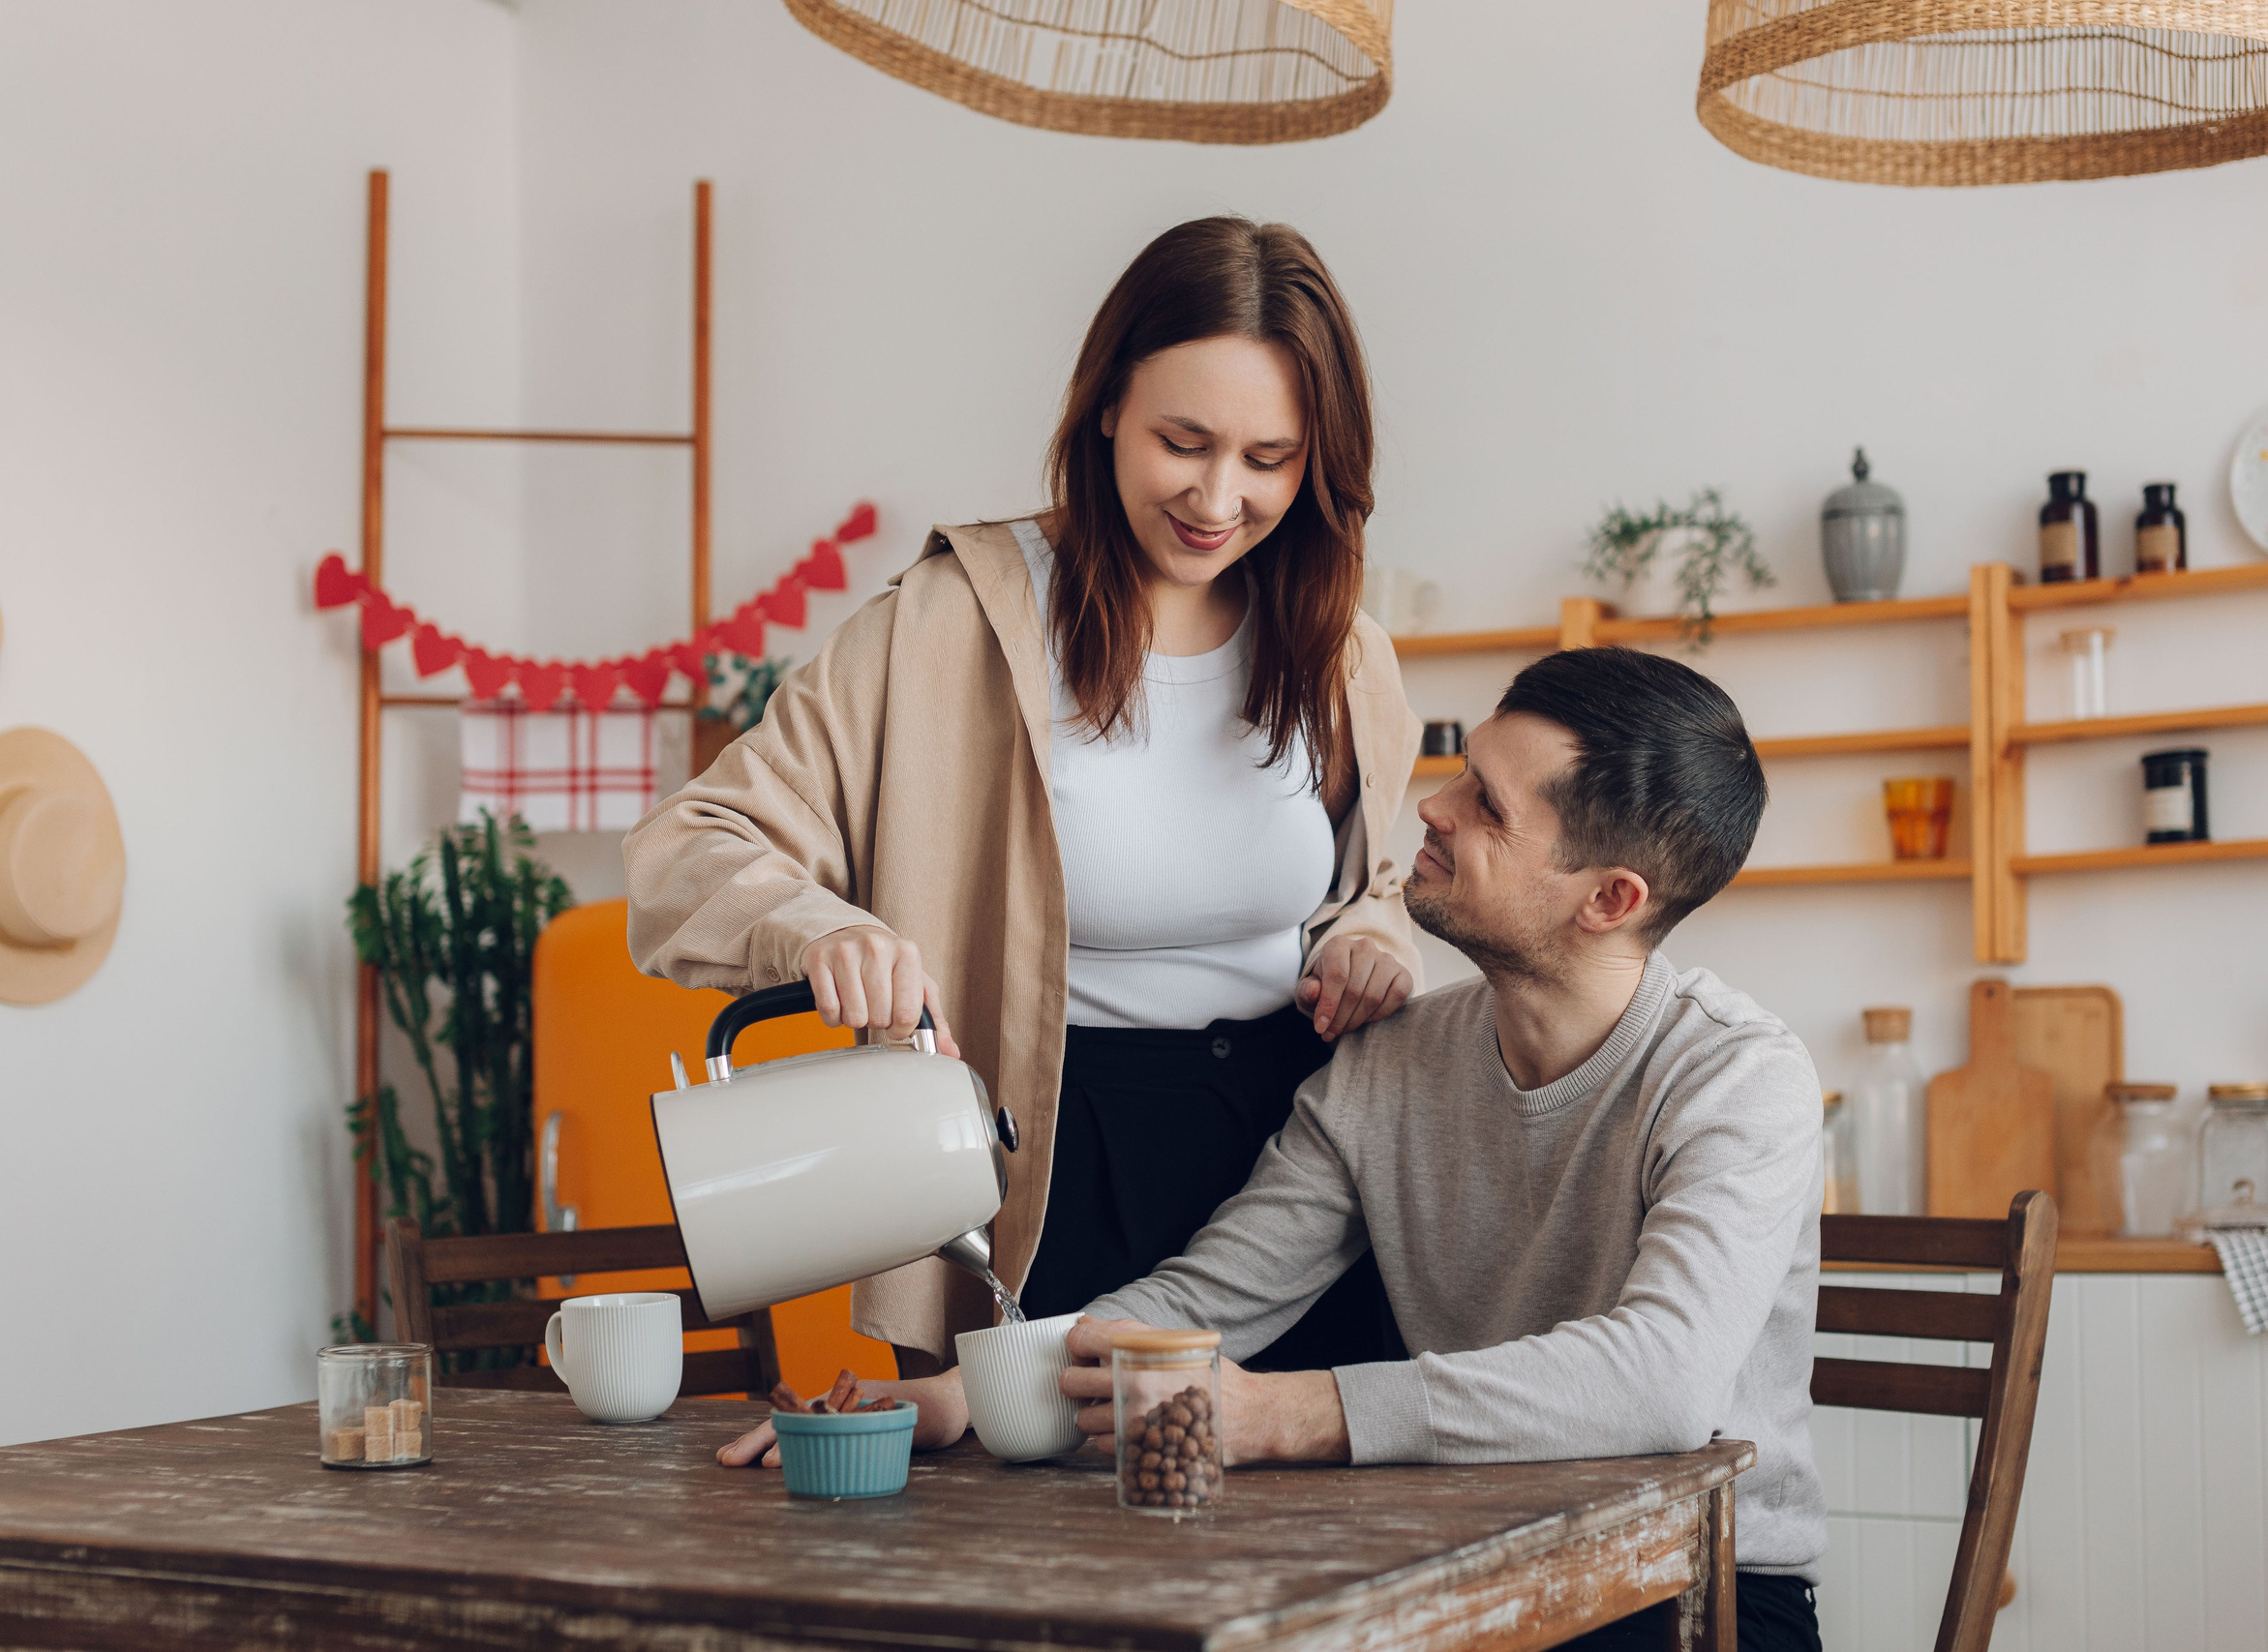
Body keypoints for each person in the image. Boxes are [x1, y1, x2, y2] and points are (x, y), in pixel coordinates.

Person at [726, 646, 1825, 1651]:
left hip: (1696, 1585)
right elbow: (1215, 1293)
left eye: (1485, 806)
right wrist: (982, 1399)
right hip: (1475, 1565)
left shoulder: (1740, 1080)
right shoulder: (1394, 1065)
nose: (1430, 810)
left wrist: (1288, 1416)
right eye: (1459, 772)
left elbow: (1665, 1381)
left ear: (1609, 900)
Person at [623, 217, 1422, 1376]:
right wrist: (821, 926)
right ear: (1105, 407)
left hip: (1297, 1166)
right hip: (1035, 1163)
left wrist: (1372, 937)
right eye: (1182, 441)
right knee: (1032, 1538)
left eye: (1269, 460)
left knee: (1318, 1544)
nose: (1216, 496)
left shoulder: (1340, 648)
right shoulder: (952, 623)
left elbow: (1371, 882)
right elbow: (682, 850)